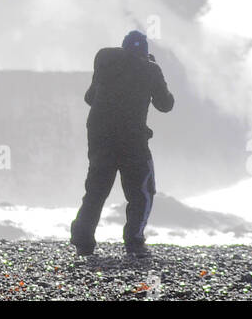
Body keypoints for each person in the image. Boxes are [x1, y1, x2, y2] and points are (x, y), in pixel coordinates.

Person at [70, 29, 174, 258]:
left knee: (96, 189)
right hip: (132, 140)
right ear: (144, 53)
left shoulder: (104, 60)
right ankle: (134, 242)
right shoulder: (150, 69)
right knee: (142, 191)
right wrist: (154, 71)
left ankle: (82, 241)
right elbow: (166, 104)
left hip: (100, 137)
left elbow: (89, 98)